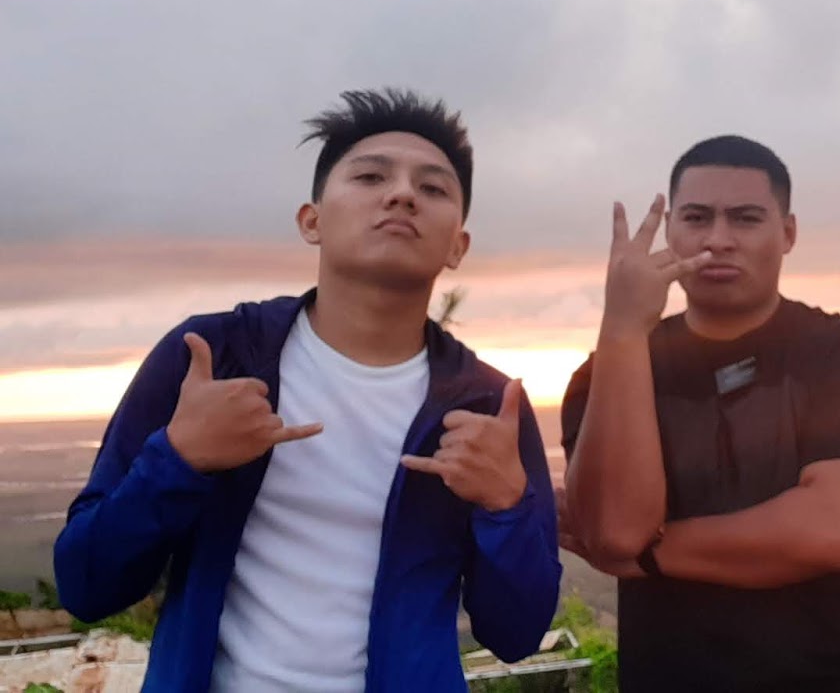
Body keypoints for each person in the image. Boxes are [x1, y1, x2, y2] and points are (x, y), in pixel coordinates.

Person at [54, 89, 562, 693]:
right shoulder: (211, 359)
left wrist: (506, 506)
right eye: (371, 176)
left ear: (457, 246)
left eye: (432, 188)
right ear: (311, 221)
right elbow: (87, 585)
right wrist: (179, 460)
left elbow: (516, 634)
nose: (402, 194)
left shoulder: (486, 406)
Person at [558, 134, 840, 693]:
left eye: (746, 219)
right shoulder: (606, 375)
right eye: (696, 218)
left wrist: (648, 556)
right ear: (671, 231)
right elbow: (616, 531)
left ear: (788, 233)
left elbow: (832, 530)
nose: (718, 240)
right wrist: (623, 329)